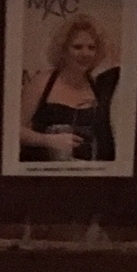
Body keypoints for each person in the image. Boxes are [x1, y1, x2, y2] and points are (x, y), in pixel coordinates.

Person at [17, 12, 120, 163]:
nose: (85, 53)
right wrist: (48, 140)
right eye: (77, 47)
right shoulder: (41, 82)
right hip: (40, 177)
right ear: (63, 50)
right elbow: (12, 131)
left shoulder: (99, 88)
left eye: (91, 47)